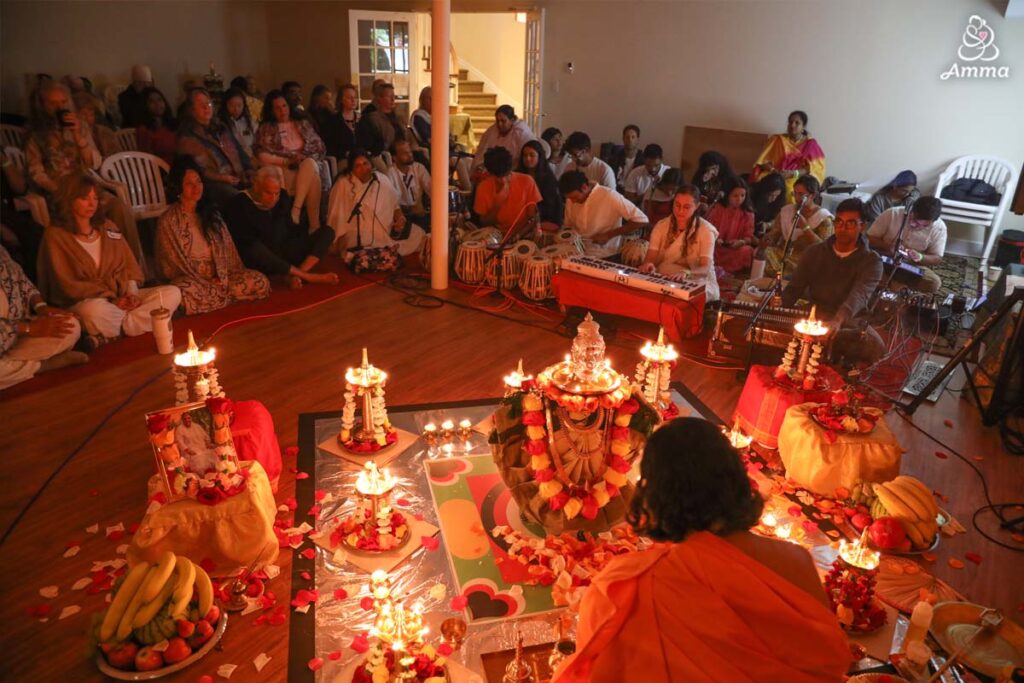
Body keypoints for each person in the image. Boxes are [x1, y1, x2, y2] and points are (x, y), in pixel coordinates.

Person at [553, 418, 849, 683]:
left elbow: (598, 670)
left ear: (655, 495)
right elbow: (827, 667)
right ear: (736, 481)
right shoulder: (796, 561)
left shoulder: (623, 586)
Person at [36, 174, 181, 346]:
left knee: (172, 293)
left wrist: (131, 294)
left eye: (95, 198)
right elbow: (67, 284)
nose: (92, 204)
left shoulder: (108, 227)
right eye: (84, 198)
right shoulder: (55, 235)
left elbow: (128, 265)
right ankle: (134, 326)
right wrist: (111, 299)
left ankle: (114, 332)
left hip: (121, 298)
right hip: (91, 302)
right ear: (69, 200)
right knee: (93, 312)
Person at [25, 81, 144, 267]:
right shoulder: (35, 135)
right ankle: (93, 270)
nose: (60, 107)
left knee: (119, 207)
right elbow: (36, 173)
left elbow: (94, 163)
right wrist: (61, 190)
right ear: (42, 105)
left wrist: (79, 138)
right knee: (79, 216)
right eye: (53, 103)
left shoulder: (79, 126)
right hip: (58, 192)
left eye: (63, 102)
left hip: (86, 186)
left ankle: (132, 266)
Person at [155, 159, 270, 314]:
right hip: (192, 281)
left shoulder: (210, 213)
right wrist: (204, 281)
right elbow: (172, 265)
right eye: (189, 184)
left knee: (259, 281)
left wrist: (221, 278)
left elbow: (229, 254)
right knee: (181, 292)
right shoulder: (168, 221)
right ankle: (224, 297)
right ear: (178, 187)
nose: (196, 187)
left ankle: (215, 299)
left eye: (198, 181)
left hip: (221, 278)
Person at [782, 197, 885, 365]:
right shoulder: (815, 252)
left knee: (875, 348)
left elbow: (859, 296)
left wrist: (838, 320)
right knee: (773, 330)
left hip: (848, 320)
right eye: (839, 221)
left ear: (863, 226)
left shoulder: (872, 261)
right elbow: (794, 288)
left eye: (850, 223)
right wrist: (778, 310)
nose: (842, 228)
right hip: (814, 314)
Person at [224, 167, 338, 289]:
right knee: (254, 247)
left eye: (276, 193)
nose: (273, 199)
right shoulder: (239, 203)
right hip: (264, 259)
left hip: (285, 250)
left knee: (328, 232)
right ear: (256, 186)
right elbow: (248, 243)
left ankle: (298, 274)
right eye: (268, 193)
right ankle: (308, 277)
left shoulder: (282, 196)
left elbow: (289, 229)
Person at [0, 245, 87, 390]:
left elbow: (21, 280)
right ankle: (40, 366)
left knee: (70, 326)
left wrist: (41, 307)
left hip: (16, 337)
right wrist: (28, 328)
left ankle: (11, 366)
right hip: (16, 330)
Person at [327, 149, 424, 257]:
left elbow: (395, 206)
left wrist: (400, 219)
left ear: (371, 164)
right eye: (357, 166)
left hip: (385, 229)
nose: (363, 168)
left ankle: (379, 250)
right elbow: (336, 218)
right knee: (363, 240)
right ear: (352, 170)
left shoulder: (381, 179)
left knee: (418, 233)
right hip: (355, 232)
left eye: (365, 163)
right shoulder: (343, 183)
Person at [254, 89, 328, 231]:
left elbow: (319, 147)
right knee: (314, 179)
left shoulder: (302, 123)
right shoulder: (267, 128)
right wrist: (287, 161)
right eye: (277, 108)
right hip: (284, 169)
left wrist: (301, 157)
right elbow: (261, 153)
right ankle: (314, 226)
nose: (282, 111)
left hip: (305, 164)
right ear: (271, 110)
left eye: (284, 106)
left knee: (310, 164)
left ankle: (296, 210)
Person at [640, 185, 720, 301]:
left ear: (696, 206)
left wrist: (686, 273)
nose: (680, 211)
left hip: (698, 279)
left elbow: (705, 268)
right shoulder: (662, 226)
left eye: (686, 207)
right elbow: (650, 258)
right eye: (677, 205)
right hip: (665, 275)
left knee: (692, 296)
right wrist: (648, 265)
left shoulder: (705, 231)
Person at [176, 87, 253, 207]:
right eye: (201, 104)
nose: (206, 107)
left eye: (208, 103)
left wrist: (249, 170)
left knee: (267, 181)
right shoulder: (187, 136)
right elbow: (195, 169)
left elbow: (239, 151)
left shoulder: (221, 128)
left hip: (238, 177)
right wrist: (221, 178)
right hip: (213, 184)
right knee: (237, 198)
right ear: (191, 110)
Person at [560, 171, 647, 259]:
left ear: (584, 187)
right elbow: (569, 225)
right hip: (577, 253)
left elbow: (642, 220)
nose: (573, 201)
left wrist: (609, 235)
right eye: (569, 198)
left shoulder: (609, 195)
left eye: (575, 197)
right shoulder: (570, 200)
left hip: (606, 254)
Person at [867, 196, 946, 293]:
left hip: (910, 266)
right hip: (884, 258)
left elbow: (936, 258)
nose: (916, 227)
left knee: (934, 283)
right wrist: (888, 246)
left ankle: (891, 285)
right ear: (911, 210)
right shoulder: (892, 213)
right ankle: (898, 288)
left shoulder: (939, 228)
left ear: (933, 221)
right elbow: (868, 238)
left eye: (924, 226)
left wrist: (920, 257)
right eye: (915, 221)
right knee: (864, 265)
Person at [760, 175, 832, 277]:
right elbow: (774, 234)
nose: (797, 198)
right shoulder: (786, 211)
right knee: (763, 253)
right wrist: (768, 239)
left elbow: (825, 249)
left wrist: (806, 228)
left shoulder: (823, 218)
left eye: (801, 195)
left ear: (813, 195)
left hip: (807, 259)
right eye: (795, 194)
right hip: (783, 255)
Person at [752, 110, 826, 202]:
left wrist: (793, 173)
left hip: (795, 177)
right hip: (774, 173)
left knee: (791, 190)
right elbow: (762, 162)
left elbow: (813, 168)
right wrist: (774, 171)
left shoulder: (810, 144)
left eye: (797, 123)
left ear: (803, 127)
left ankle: (787, 215)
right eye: (790, 122)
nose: (792, 125)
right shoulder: (777, 140)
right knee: (762, 182)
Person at [474, 147, 542, 237]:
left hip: (523, 236)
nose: (503, 180)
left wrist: (517, 236)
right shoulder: (483, 187)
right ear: (490, 173)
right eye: (498, 177)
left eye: (506, 175)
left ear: (511, 169)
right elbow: (484, 223)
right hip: (496, 237)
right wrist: (498, 205)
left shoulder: (527, 181)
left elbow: (533, 218)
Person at [708, 176, 756, 274]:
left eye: (743, 195)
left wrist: (741, 242)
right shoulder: (718, 208)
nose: (739, 199)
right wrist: (716, 240)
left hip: (735, 249)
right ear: (727, 195)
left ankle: (729, 271)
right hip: (716, 248)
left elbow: (748, 236)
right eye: (735, 196)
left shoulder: (748, 213)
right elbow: (708, 229)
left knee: (747, 251)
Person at [471, 105, 535, 174]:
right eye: (497, 121)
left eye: (503, 121)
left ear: (512, 120)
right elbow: (481, 154)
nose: (499, 124)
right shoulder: (492, 131)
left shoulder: (522, 133)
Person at [355, 82, 406, 166]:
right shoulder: (372, 118)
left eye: (393, 96)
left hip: (402, 152)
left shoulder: (398, 117)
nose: (393, 99)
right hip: (385, 155)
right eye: (389, 96)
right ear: (379, 98)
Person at [386, 140, 432, 232]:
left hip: (420, 215)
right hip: (401, 217)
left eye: (410, 151)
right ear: (394, 157)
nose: (410, 155)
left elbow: (431, 189)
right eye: (405, 153)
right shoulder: (390, 173)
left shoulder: (419, 168)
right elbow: (391, 201)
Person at [517, 139, 563, 229]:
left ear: (539, 157)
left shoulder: (548, 179)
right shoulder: (518, 175)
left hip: (543, 220)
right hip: (520, 218)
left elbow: (551, 206)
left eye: (532, 155)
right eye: (525, 155)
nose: (527, 158)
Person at [135, 87, 177, 165]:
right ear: (145, 106)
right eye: (151, 101)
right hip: (161, 169)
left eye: (159, 100)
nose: (157, 104)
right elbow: (147, 160)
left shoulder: (172, 123)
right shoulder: (144, 130)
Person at [308, 84, 349, 163]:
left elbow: (343, 131)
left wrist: (335, 114)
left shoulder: (330, 114)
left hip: (337, 149)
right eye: (326, 98)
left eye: (330, 99)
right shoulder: (311, 115)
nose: (329, 102)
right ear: (317, 99)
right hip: (324, 149)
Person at [72, 92, 118, 158]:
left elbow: (115, 156)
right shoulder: (72, 135)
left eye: (91, 114)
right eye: (83, 114)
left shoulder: (105, 132)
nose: (88, 118)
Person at [217, 87, 256, 160]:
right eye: (232, 105)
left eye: (239, 105)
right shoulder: (220, 124)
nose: (236, 109)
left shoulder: (249, 121)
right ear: (225, 105)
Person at [750, 173, 787, 237]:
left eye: (776, 196)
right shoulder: (752, 194)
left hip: (764, 233)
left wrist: (767, 225)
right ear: (764, 190)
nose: (773, 199)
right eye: (770, 195)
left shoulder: (779, 200)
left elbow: (778, 219)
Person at [608, 124, 641, 189]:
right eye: (627, 137)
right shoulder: (614, 158)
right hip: (617, 191)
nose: (630, 140)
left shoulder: (643, 160)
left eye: (633, 137)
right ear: (623, 139)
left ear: (637, 139)